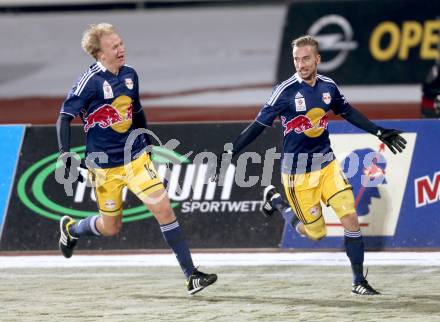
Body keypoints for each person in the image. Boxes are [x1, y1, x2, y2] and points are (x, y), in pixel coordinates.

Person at [212, 35, 406, 295]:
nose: (300, 64)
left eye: (305, 58)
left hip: (327, 165)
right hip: (297, 174)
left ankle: (358, 281)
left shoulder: (328, 87)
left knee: (350, 217)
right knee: (315, 233)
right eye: (296, 59)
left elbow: (347, 111)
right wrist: (230, 151)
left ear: (317, 59)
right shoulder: (284, 92)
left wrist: (379, 132)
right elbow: (257, 126)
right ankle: (278, 201)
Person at [56, 23, 217, 295]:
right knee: (111, 227)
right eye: (114, 46)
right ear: (100, 54)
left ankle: (191, 276)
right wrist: (65, 154)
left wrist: (148, 142)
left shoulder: (130, 75)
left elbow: (137, 110)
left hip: (136, 157)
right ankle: (72, 229)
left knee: (164, 209)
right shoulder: (89, 82)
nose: (122, 49)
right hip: (105, 168)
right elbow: (64, 117)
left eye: (121, 43)